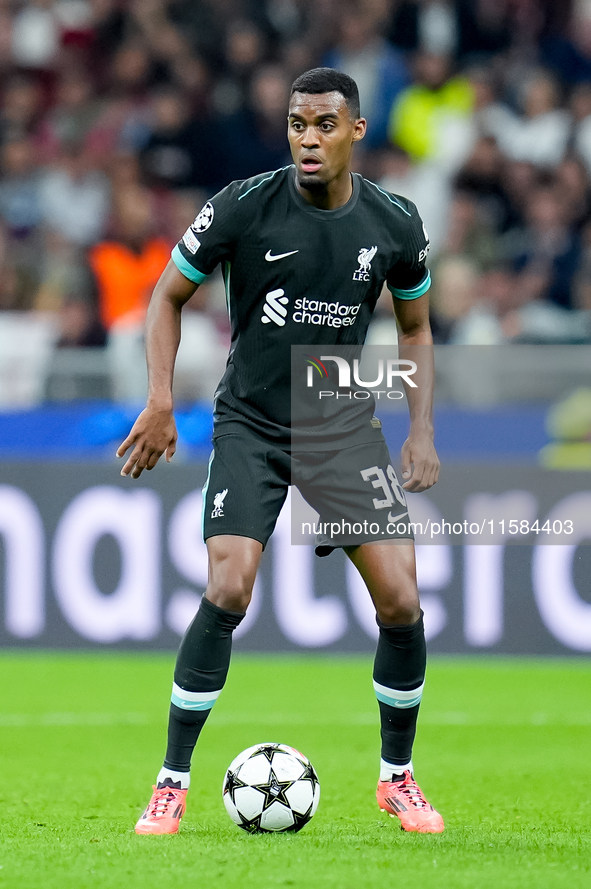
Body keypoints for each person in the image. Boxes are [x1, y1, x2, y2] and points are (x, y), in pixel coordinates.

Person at [118, 68, 443, 836]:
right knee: (229, 585)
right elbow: (165, 296)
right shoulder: (241, 204)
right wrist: (161, 397)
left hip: (338, 422)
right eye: (297, 123)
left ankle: (396, 778)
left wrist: (420, 429)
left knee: (400, 597)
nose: (307, 138)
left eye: (324, 124)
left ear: (355, 132)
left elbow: (417, 326)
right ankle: (170, 783)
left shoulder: (394, 222)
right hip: (253, 422)